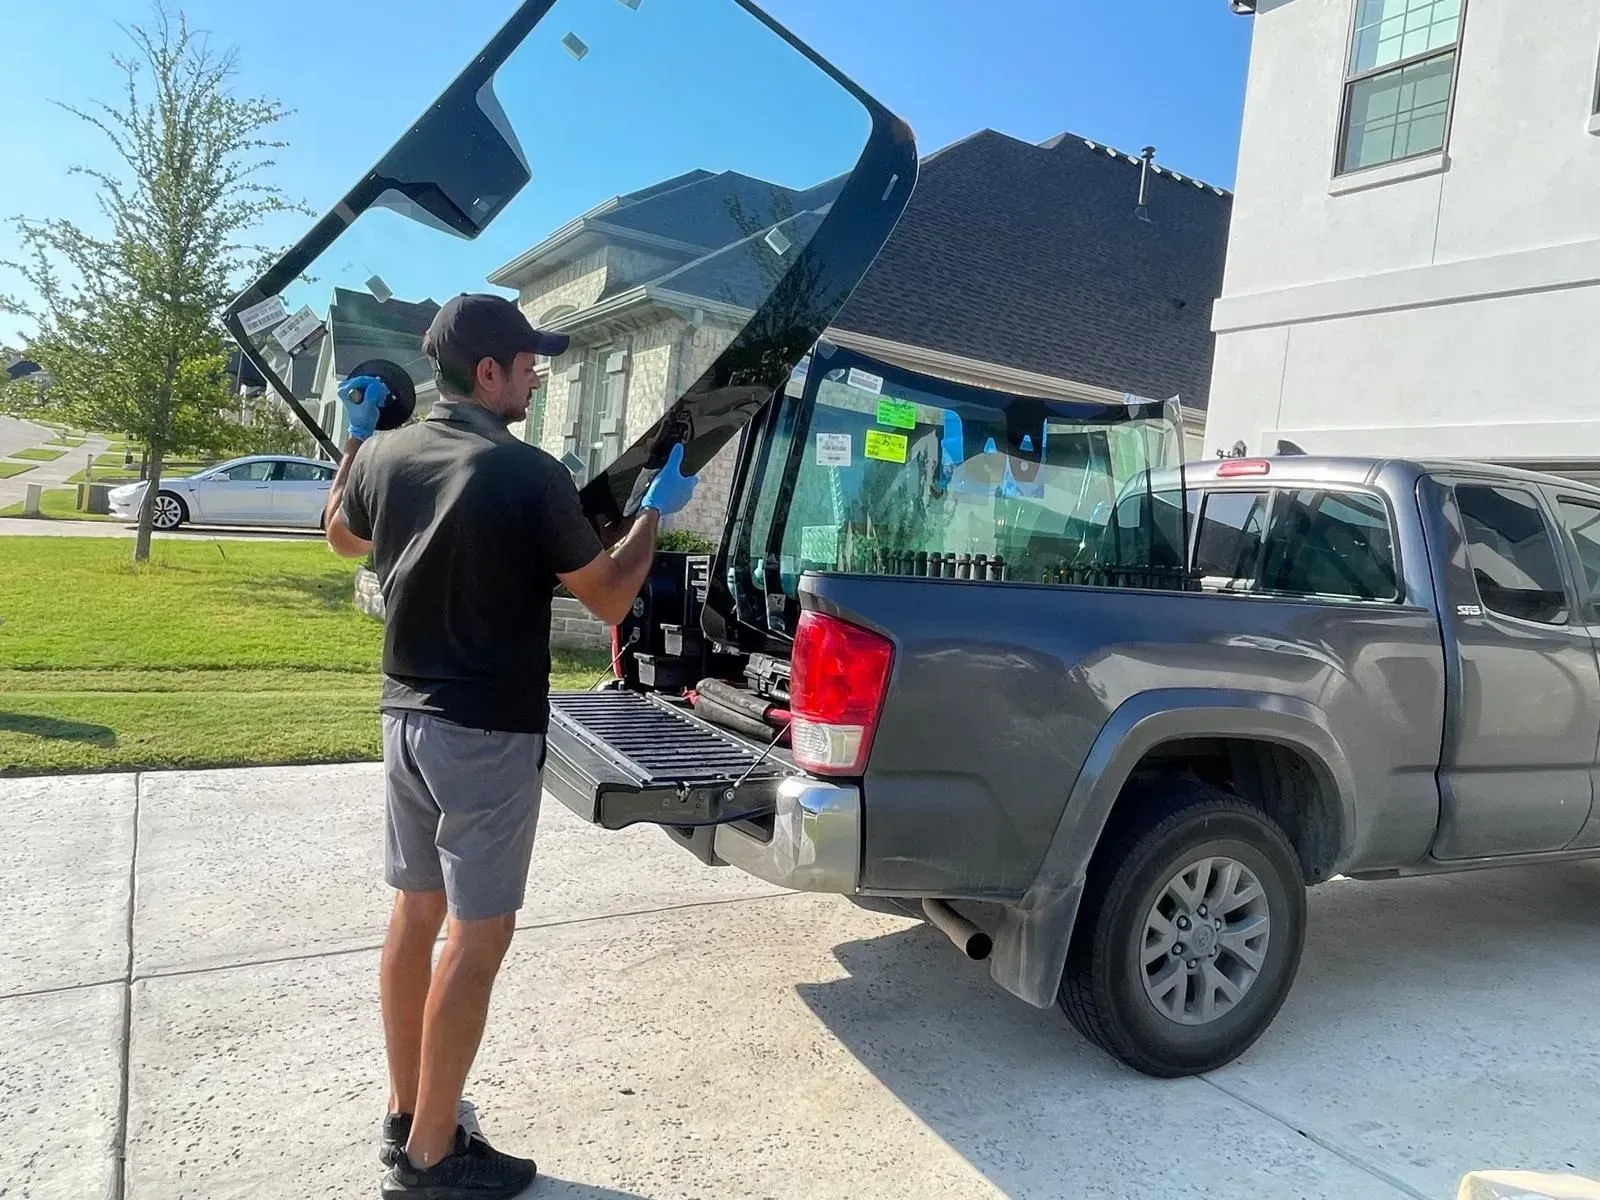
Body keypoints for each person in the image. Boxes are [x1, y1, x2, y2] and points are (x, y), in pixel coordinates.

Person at [322, 292, 699, 1199]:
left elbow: (340, 537)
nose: (539, 373)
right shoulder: (527, 473)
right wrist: (654, 511)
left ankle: (406, 1114)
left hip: (404, 720)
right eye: (528, 362)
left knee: (415, 917)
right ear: (487, 372)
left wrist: (351, 443)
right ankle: (431, 1160)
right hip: (484, 733)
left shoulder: (384, 454)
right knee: (477, 935)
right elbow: (609, 597)